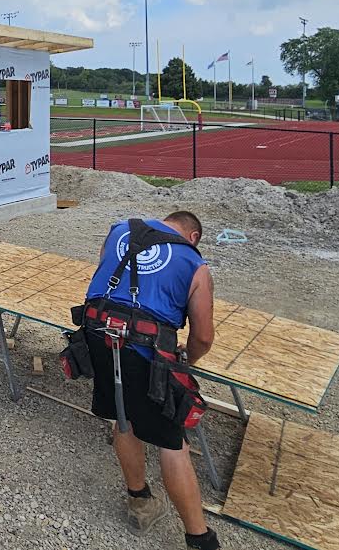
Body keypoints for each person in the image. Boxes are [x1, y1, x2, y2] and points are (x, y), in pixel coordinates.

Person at [82, 211, 220, 550]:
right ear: (193, 237)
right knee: (172, 441)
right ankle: (200, 539)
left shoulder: (120, 230)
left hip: (96, 332)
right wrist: (186, 361)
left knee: (124, 416)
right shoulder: (194, 263)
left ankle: (140, 501)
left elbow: (104, 273)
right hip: (144, 348)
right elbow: (202, 337)